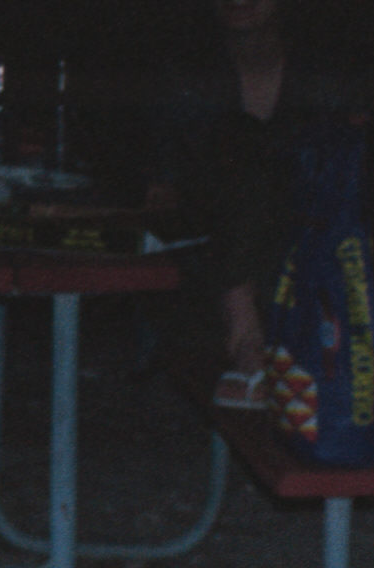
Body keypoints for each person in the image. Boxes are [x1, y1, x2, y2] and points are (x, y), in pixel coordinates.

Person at [146, 0, 361, 407]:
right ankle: (245, 337)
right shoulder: (185, 75)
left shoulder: (323, 74)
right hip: (208, 257)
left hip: (297, 252)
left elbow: (345, 181)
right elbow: (163, 189)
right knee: (237, 146)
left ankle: (262, 339)